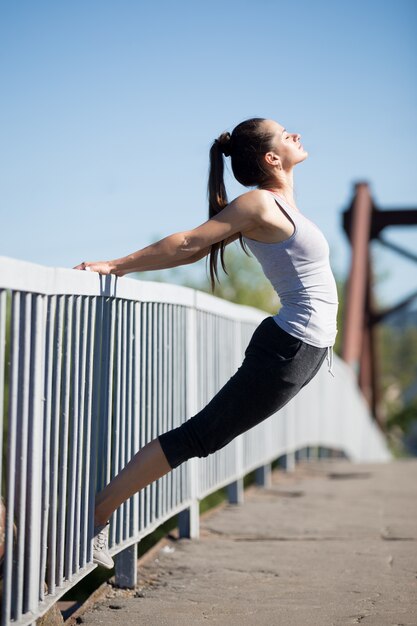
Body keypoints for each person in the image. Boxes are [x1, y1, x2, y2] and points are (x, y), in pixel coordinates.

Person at [74, 117, 339, 569]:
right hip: (289, 348)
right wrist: (116, 265)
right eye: (284, 133)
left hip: (301, 349)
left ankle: (93, 515)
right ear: (271, 158)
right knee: (199, 436)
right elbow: (190, 245)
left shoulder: (280, 204)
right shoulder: (257, 203)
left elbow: (195, 247)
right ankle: (94, 517)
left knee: (203, 436)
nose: (296, 133)